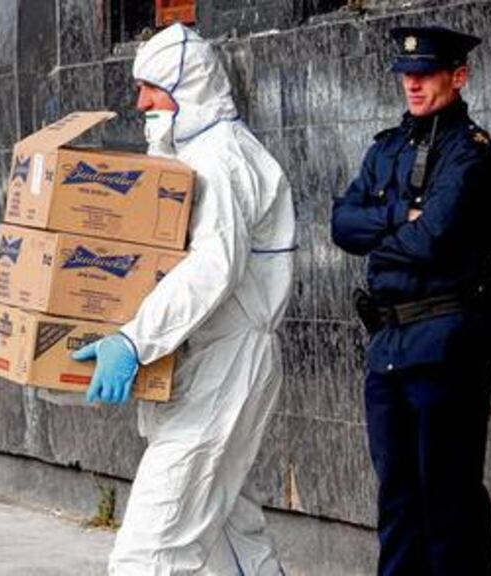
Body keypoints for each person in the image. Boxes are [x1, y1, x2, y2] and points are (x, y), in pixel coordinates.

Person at [71, 23, 295, 575]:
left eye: (151, 87)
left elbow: (211, 269)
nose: (141, 101)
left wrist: (133, 338)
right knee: (228, 536)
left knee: (152, 550)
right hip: (207, 364)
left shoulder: (222, 159)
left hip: (226, 364)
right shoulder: (196, 156)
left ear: (187, 86)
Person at [330, 25, 491, 576]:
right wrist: (395, 219)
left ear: (458, 77)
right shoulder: (387, 148)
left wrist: (381, 238)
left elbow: (433, 236)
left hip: (447, 341)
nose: (413, 84)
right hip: (389, 343)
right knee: (398, 497)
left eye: (426, 73)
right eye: (406, 74)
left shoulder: (471, 154)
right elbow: (341, 223)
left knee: (447, 500)